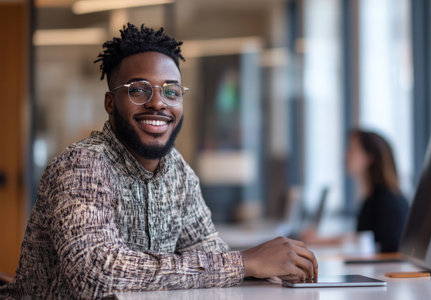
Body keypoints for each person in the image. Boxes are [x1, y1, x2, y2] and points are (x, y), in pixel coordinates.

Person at [0, 24, 317, 299]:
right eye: (138, 90)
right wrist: (244, 263)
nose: (157, 102)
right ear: (111, 103)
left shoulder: (178, 171)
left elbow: (208, 252)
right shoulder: (82, 165)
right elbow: (98, 277)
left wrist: (266, 267)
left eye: (171, 91)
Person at [301, 129, 409, 253]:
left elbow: (380, 244)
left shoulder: (387, 200)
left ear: (369, 157)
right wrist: (320, 240)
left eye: (352, 150)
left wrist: (320, 241)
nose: (346, 155)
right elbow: (364, 237)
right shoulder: (373, 197)